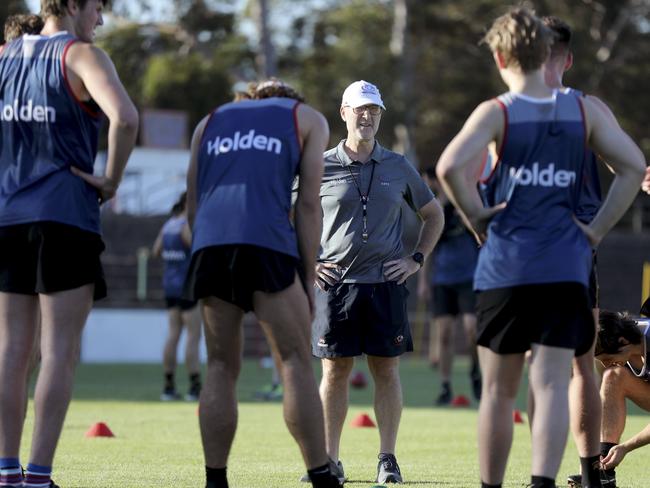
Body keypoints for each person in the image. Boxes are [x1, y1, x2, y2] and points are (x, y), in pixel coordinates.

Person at [435, 7, 645, 488]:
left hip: (503, 267)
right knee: (555, 382)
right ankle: (543, 483)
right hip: (566, 267)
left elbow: (448, 169)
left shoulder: (496, 112)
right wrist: (594, 231)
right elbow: (633, 166)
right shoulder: (583, 110)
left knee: (497, 391)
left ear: (503, 55)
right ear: (554, 56)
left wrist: (477, 219)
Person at [0, 0, 138, 487]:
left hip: (9, 220)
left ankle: (5, 474)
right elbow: (125, 117)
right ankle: (37, 476)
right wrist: (111, 180)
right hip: (64, 216)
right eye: (97, 8)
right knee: (58, 351)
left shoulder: (5, 56)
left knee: (12, 352)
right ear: (75, 4)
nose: (99, 20)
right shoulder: (81, 56)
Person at [184, 79, 341, 488]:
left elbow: (193, 205)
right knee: (293, 361)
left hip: (212, 246)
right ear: (294, 100)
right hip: (268, 243)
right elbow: (307, 205)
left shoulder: (210, 121)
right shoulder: (306, 118)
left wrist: (206, 249)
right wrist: (308, 278)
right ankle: (320, 474)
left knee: (219, 365)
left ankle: (215, 480)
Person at [302, 80, 444, 485]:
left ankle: (388, 459)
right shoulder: (320, 164)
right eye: (360, 109)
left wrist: (416, 259)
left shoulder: (399, 165)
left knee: (387, 372)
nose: (367, 116)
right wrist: (309, 261)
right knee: (335, 373)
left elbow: (434, 215)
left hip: (385, 285)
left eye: (375, 110)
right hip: (335, 288)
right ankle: (329, 460)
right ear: (344, 112)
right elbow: (290, 214)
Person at [419, 167, 481, 405]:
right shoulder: (432, 209)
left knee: (471, 330)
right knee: (444, 333)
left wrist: (452, 200)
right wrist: (424, 281)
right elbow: (428, 246)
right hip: (442, 280)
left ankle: (475, 370)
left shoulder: (464, 202)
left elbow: (475, 228)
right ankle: (445, 385)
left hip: (468, 278)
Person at [572, 310, 650, 488]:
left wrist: (626, 447)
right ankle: (603, 471)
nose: (606, 363)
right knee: (613, 377)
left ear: (623, 342)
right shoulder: (624, 336)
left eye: (608, 358)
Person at [152, 192, 202, 402]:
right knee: (192, 336)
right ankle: (194, 386)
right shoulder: (186, 225)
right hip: (187, 286)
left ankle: (168, 386)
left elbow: (156, 252)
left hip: (170, 287)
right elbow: (197, 247)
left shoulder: (168, 225)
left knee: (173, 334)